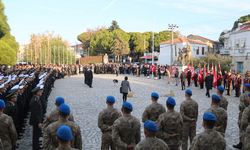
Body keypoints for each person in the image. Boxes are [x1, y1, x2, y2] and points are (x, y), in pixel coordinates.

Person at [233, 83, 250, 149]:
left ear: (245, 87)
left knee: (242, 128)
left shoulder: (243, 95)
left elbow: (241, 106)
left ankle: (241, 143)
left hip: (243, 114)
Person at [29, 85, 44, 150]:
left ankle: (37, 145)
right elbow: (35, 113)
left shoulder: (37, 98)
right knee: (35, 135)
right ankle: (35, 147)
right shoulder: (35, 100)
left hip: (37, 120)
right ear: (37, 92)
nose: (41, 93)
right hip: (36, 121)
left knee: (37, 134)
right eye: (40, 91)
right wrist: (39, 122)